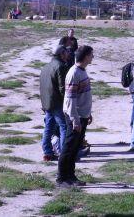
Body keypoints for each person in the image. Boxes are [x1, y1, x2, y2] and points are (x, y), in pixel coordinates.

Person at [58, 44, 94, 187]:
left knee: (75, 148)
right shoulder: (74, 73)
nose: (93, 57)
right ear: (85, 56)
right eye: (91, 54)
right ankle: (61, 179)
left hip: (82, 116)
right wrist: (75, 120)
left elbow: (82, 96)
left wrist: (88, 113)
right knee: (68, 148)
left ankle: (71, 176)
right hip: (75, 117)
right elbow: (70, 99)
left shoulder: (82, 71)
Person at [39, 46, 71, 162]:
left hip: (47, 103)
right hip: (57, 102)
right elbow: (62, 88)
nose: (68, 53)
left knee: (48, 127)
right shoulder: (61, 66)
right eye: (66, 52)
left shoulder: (46, 67)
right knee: (64, 127)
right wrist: (68, 102)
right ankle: (64, 154)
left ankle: (47, 152)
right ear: (61, 54)